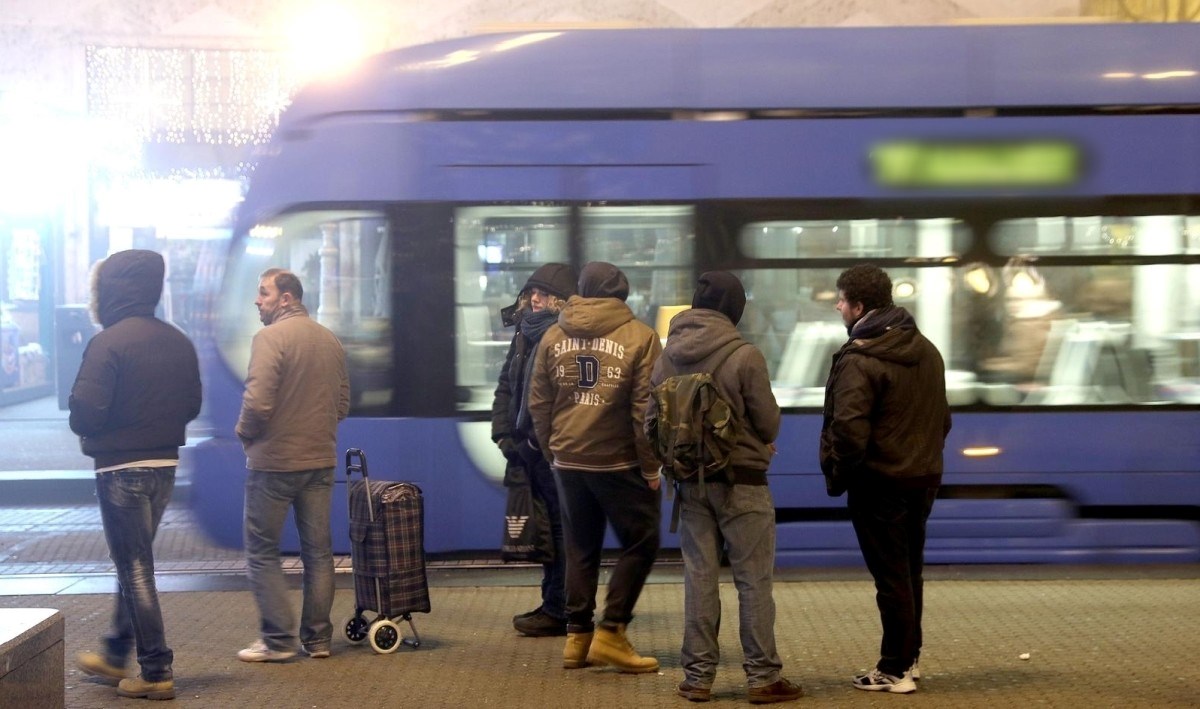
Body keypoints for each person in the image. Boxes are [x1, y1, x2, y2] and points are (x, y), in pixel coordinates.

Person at [648, 271, 803, 704]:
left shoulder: (667, 356)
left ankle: (697, 678)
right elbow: (768, 421)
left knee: (699, 579)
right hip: (744, 484)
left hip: (689, 485)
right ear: (735, 308)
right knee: (753, 581)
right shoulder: (745, 355)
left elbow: (649, 422)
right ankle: (762, 678)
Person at [71, 249, 202, 701]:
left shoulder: (108, 343)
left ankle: (155, 669)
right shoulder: (178, 340)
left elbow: (85, 412)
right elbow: (192, 406)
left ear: (108, 290)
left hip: (119, 468)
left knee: (135, 569)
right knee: (133, 564)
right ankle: (114, 652)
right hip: (164, 467)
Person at [819, 264, 951, 694]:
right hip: (922, 478)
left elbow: (848, 429)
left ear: (858, 306)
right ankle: (908, 660)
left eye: (840, 299)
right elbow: (943, 420)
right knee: (909, 572)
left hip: (879, 483)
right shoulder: (927, 350)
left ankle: (894, 669)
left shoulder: (860, 358)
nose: (837, 306)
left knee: (891, 578)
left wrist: (840, 473)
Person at [528, 261, 663, 674]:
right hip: (617, 460)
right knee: (642, 541)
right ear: (621, 294)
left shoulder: (553, 333)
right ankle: (612, 632)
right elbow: (645, 411)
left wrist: (554, 451)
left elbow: (538, 401)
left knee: (580, 548)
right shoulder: (641, 337)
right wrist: (652, 467)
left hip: (568, 461)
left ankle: (577, 638)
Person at [236, 268, 350, 663]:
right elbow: (342, 403)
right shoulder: (329, 339)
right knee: (319, 552)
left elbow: (258, 401)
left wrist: (246, 435)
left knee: (262, 549)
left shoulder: (269, 338)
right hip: (320, 462)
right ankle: (317, 640)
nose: (257, 300)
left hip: (275, 462)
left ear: (286, 298)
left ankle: (278, 640)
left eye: (263, 292)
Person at [491, 262, 577, 637]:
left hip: (553, 452)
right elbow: (505, 387)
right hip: (529, 449)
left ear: (561, 300)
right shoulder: (525, 334)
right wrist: (503, 435)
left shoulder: (562, 335)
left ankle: (561, 609)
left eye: (544, 293)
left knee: (559, 530)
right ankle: (555, 603)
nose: (535, 298)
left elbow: (564, 399)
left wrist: (536, 442)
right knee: (547, 530)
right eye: (531, 293)